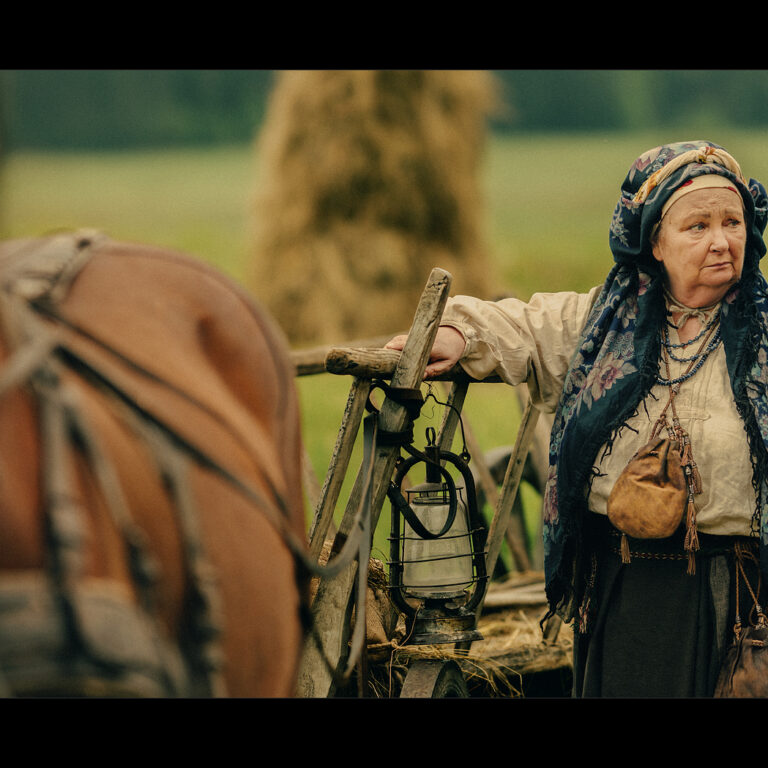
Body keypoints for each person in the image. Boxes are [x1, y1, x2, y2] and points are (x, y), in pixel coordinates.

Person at [386, 140, 768, 697]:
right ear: (654, 242)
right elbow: (520, 326)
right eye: (697, 226)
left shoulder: (761, 334)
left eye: (732, 222)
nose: (721, 241)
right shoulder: (604, 323)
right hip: (619, 588)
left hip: (724, 595)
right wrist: (454, 332)